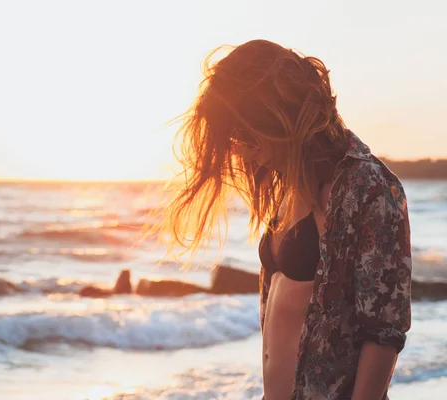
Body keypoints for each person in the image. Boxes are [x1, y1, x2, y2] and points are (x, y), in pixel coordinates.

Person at [160, 39, 412, 399]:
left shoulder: (368, 188)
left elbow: (383, 334)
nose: (240, 149)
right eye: (233, 137)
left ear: (277, 114)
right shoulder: (287, 185)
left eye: (244, 133)